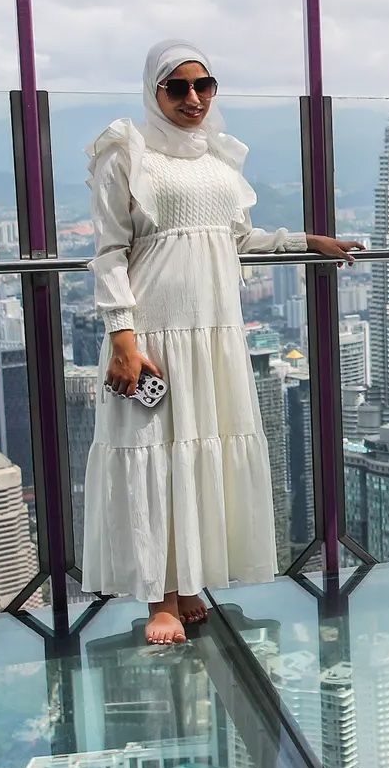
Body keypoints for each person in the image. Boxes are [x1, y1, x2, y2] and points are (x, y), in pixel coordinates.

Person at [82, 39, 361, 646]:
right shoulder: (125, 152)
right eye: (177, 87)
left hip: (215, 332)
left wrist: (307, 241)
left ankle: (188, 584)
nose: (193, 98)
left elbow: (234, 238)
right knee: (156, 452)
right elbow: (108, 252)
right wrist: (123, 336)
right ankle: (158, 598)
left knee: (198, 448)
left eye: (203, 85)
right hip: (155, 332)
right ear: (153, 92)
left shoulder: (218, 158)